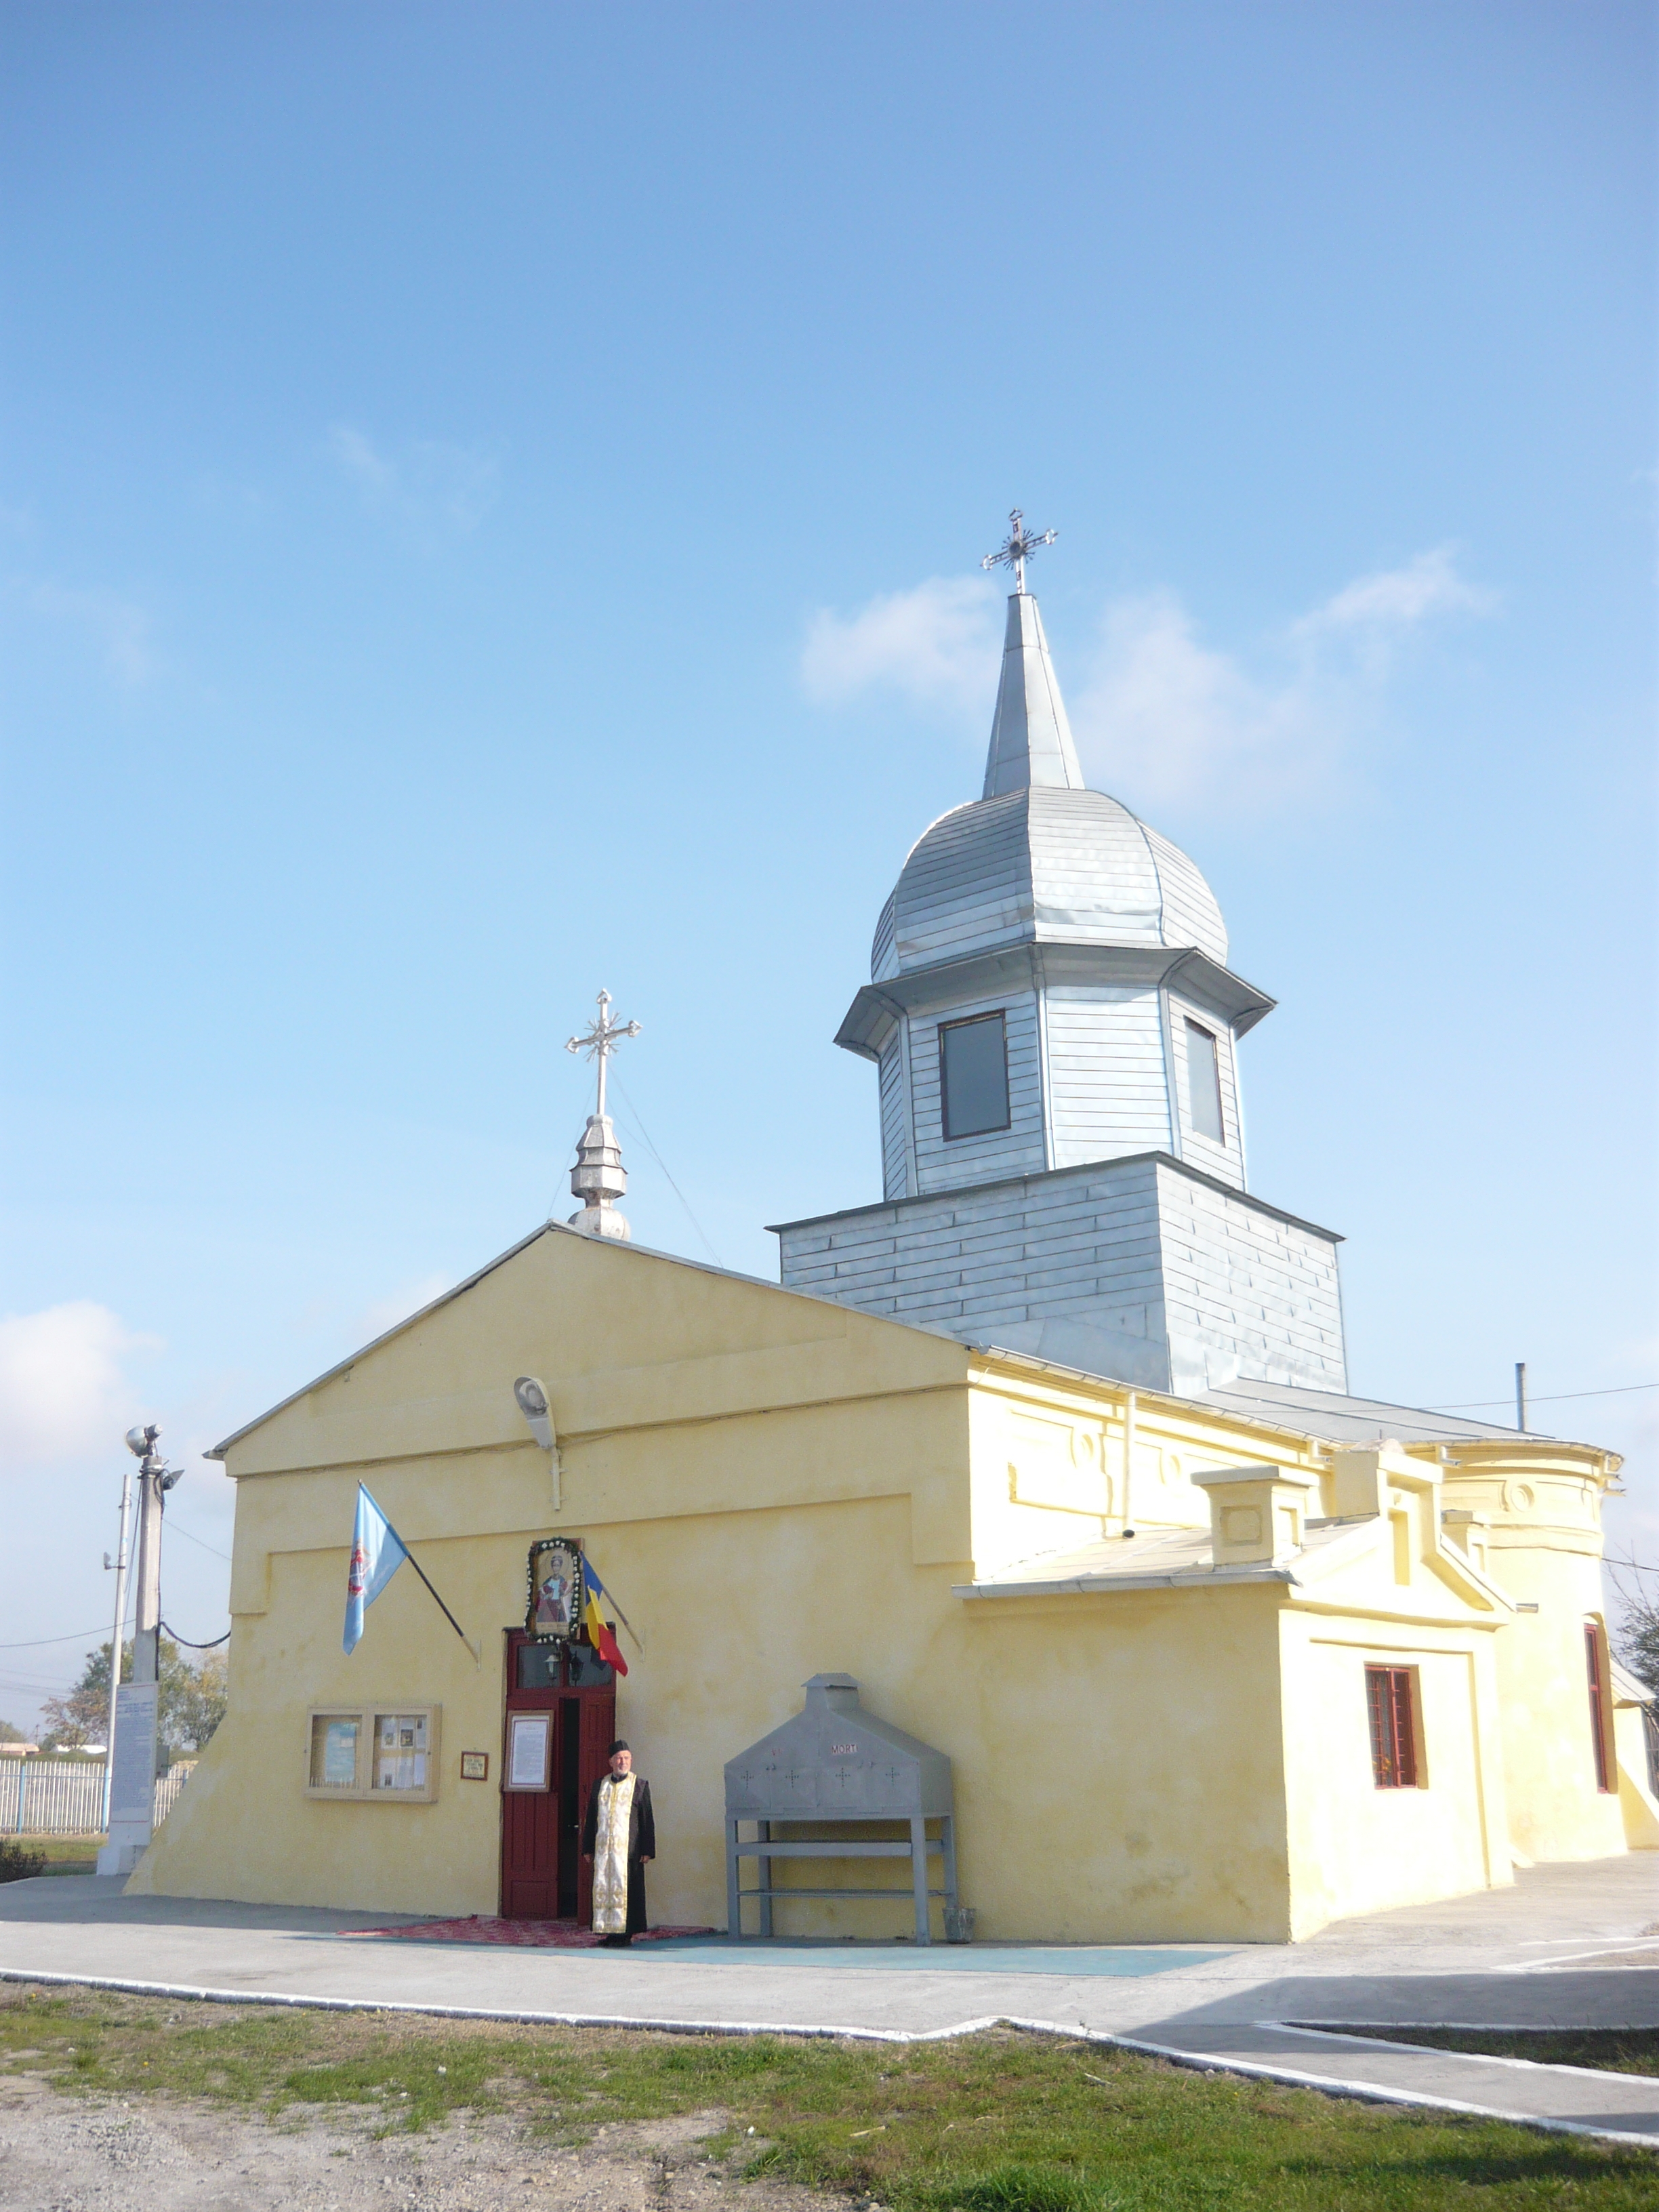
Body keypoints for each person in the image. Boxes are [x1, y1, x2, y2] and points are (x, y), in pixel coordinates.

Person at [581, 1738, 654, 1945]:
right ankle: (610, 1933)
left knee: (628, 1892)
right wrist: (587, 1847)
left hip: (629, 1853)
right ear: (611, 1762)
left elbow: (647, 1819)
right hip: (604, 1853)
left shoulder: (639, 1786)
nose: (623, 1762)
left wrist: (648, 1850)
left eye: (627, 1758)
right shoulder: (600, 1785)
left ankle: (625, 1935)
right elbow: (591, 1817)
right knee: (605, 1889)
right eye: (619, 1758)